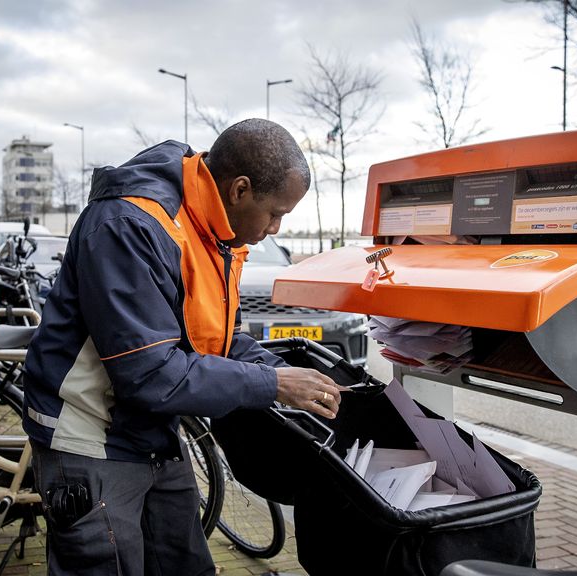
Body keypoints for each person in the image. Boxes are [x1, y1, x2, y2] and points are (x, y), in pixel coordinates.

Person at [22, 118, 343, 575]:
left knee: (186, 564)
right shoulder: (130, 225)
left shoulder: (211, 230)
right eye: (276, 213)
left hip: (150, 431)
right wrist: (271, 384)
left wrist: (287, 373)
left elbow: (215, 336)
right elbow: (150, 374)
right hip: (91, 436)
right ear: (240, 190)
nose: (275, 228)